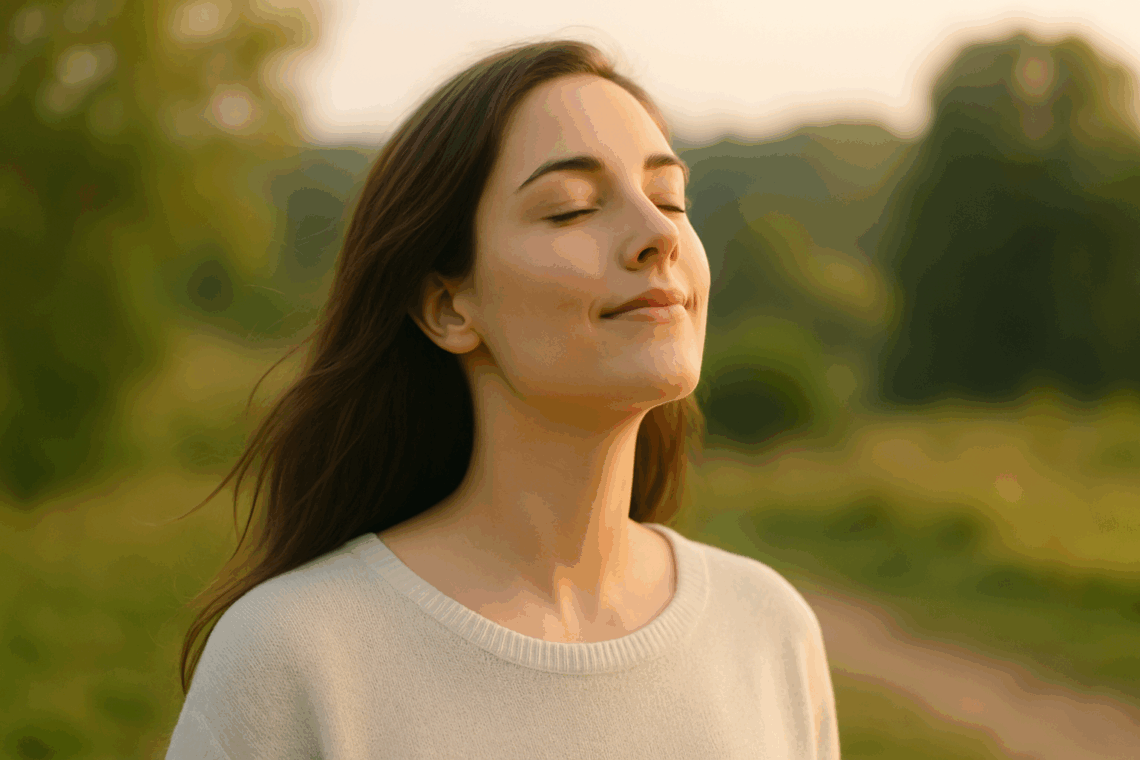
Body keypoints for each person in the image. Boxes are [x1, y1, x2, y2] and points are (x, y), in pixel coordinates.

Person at [164, 37, 840, 759]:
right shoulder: (295, 656)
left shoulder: (769, 630)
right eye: (572, 209)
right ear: (448, 306)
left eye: (670, 198)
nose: (657, 235)